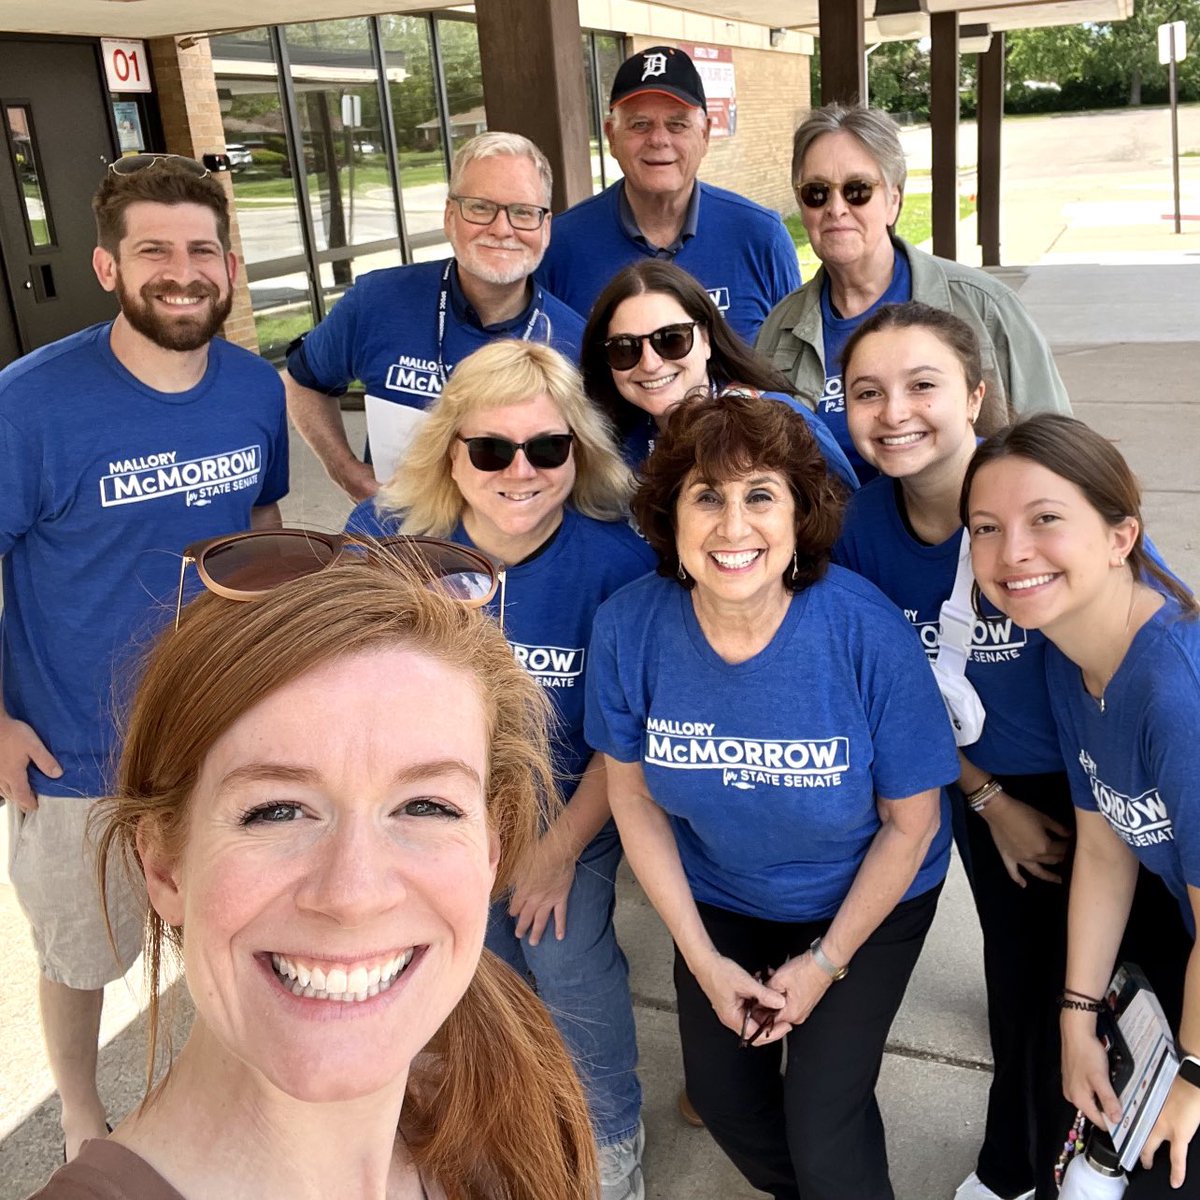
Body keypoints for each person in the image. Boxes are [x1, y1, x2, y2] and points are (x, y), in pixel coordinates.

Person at [28, 547, 598, 1199]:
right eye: (276, 811)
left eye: (425, 806)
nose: (354, 894)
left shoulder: (517, 1078)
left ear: (491, 847)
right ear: (164, 866)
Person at [585, 389, 961, 1200]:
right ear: (669, 517)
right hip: (723, 892)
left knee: (825, 1126)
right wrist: (701, 957)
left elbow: (911, 824)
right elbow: (636, 802)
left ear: (798, 519)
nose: (732, 526)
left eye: (761, 496)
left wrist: (824, 964)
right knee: (727, 1104)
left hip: (866, 897)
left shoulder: (864, 633)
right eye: (707, 497)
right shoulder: (629, 627)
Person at [0, 154, 289, 1163]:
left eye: (202, 249)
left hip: (216, 731)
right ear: (108, 267)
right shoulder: (28, 404)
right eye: (154, 250)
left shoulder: (255, 389)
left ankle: (226, 1092)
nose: (182, 270)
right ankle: (84, 1119)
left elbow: (264, 529)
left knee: (228, 926)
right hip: (74, 749)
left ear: (229, 265)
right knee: (82, 952)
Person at [345, 339, 653, 1200]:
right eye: (491, 449)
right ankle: (492, 1134)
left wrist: (554, 852)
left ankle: (607, 1144)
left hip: (566, 814)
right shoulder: (388, 541)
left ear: (579, 452)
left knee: (565, 967)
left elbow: (621, 740)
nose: (520, 470)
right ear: (453, 451)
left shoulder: (618, 563)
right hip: (427, 821)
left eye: (547, 448)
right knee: (468, 979)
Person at [834, 302, 1076, 1200]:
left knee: (1091, 996)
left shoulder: (1043, 491)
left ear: (975, 395)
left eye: (922, 384)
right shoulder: (862, 529)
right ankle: (1017, 1165)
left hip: (1096, 780)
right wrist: (987, 801)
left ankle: (1065, 1163)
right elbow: (889, 699)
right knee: (1022, 987)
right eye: (868, 392)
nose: (894, 410)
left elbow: (1144, 623)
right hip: (980, 786)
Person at [962, 414, 1200, 1199]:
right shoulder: (1072, 655)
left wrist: (1190, 1082)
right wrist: (1076, 1016)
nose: (1012, 552)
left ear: (1120, 535)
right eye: (986, 529)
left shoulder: (1176, 691)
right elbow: (1104, 848)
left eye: (1045, 520)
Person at [755, 102, 1070, 483]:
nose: (836, 209)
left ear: (894, 200)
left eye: (857, 190)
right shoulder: (780, 329)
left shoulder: (984, 307)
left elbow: (1060, 454)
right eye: (816, 193)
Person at [285, 132, 585, 502]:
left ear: (546, 227)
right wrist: (346, 471)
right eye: (480, 207)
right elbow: (302, 381)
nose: (502, 228)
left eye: (523, 212)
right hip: (397, 542)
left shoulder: (575, 342)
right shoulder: (377, 302)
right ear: (449, 215)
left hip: (518, 547)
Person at [538, 46, 800, 344]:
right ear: (611, 136)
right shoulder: (560, 246)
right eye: (640, 124)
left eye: (677, 124)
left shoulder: (762, 236)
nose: (659, 139)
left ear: (704, 135)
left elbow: (793, 369)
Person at [579, 259, 856, 491]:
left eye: (671, 339)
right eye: (625, 348)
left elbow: (850, 531)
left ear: (706, 339)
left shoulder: (783, 426)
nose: (650, 363)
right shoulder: (612, 445)